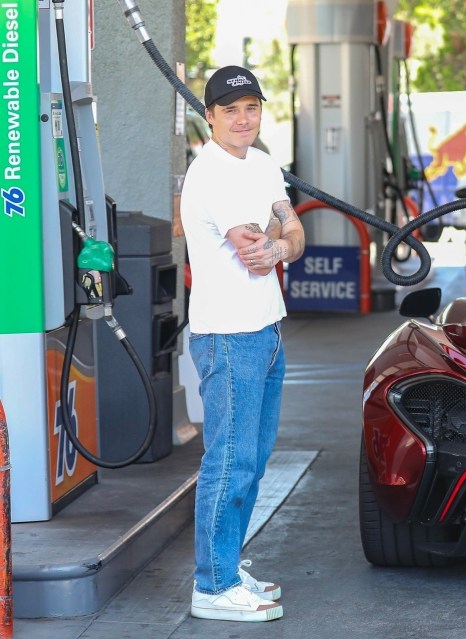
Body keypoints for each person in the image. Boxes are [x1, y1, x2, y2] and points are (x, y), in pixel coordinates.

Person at [179, 64, 305, 622]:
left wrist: (280, 239)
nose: (242, 118)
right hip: (229, 336)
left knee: (251, 462)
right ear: (209, 117)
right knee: (228, 462)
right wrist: (279, 239)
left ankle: (227, 565)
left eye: (250, 107)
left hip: (265, 329)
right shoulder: (211, 174)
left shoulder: (262, 164)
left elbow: (294, 235)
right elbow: (260, 253)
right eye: (230, 109)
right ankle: (212, 586)